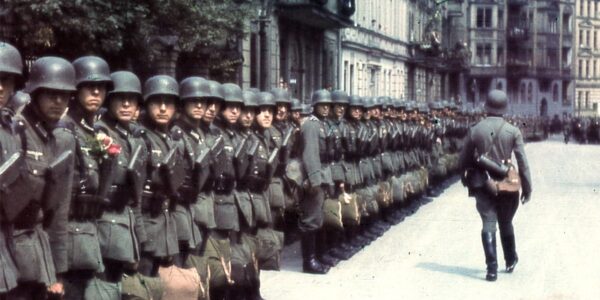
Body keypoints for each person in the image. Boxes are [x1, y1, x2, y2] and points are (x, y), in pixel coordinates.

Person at [6, 56, 76, 300]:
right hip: (11, 256)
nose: (58, 101)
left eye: (64, 95)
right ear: (34, 94)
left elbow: (59, 211)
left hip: (38, 254)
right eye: (51, 94)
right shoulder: (14, 132)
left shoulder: (56, 140)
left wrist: (57, 270)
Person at [459, 89, 532, 282]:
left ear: (486, 107)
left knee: (488, 223)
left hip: (483, 183)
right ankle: (510, 260)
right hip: (507, 184)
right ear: (504, 108)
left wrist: (464, 178)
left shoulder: (475, 129)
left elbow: (464, 159)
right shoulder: (513, 131)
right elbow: (523, 162)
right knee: (506, 222)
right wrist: (527, 187)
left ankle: (491, 269)